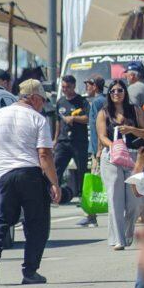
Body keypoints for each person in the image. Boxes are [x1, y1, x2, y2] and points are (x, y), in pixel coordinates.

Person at [0, 79, 58, 286]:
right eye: (42, 100)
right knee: (37, 223)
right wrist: (54, 183)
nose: (43, 104)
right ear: (33, 98)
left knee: (1, 219)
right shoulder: (38, 118)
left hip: (3, 176)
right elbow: (44, 154)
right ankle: (30, 272)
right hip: (30, 174)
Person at [95, 80, 142, 250]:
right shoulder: (104, 113)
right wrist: (114, 146)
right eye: (113, 91)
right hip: (112, 156)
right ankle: (118, 239)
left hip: (133, 155)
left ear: (125, 92)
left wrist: (131, 130)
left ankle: (128, 232)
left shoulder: (134, 110)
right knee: (115, 198)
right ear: (109, 93)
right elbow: (101, 135)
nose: (116, 93)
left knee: (135, 202)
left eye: (120, 90)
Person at [52, 73, 92, 203]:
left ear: (74, 86)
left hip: (78, 141)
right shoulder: (60, 102)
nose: (65, 89)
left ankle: (83, 197)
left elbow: (88, 118)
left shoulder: (82, 101)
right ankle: (53, 194)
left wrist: (74, 118)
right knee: (56, 167)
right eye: (63, 87)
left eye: (68, 87)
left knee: (82, 170)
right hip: (63, 141)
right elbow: (58, 121)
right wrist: (55, 138)